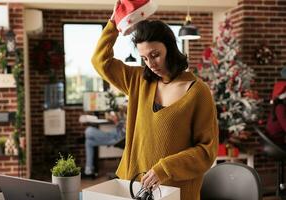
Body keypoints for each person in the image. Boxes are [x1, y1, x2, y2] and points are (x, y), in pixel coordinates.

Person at [90, 1, 219, 199]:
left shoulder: (197, 92)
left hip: (177, 192)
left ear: (170, 48)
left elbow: (206, 151)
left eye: (155, 55)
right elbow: (100, 61)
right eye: (145, 58)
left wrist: (165, 168)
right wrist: (114, 24)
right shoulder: (138, 81)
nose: (151, 64)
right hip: (133, 187)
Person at [84, 105, 126, 176]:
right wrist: (115, 120)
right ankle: (89, 169)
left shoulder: (129, 116)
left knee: (89, 131)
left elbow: (123, 132)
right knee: (89, 142)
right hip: (114, 135)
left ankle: (89, 169)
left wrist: (116, 122)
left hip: (119, 138)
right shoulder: (123, 115)